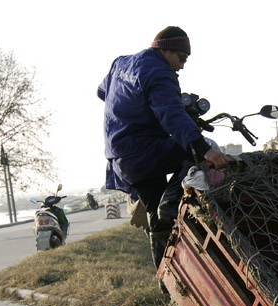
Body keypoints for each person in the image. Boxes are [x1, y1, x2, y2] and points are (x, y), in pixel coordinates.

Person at [97, 26, 229, 272]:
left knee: (158, 222)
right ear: (166, 50)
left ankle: (165, 277)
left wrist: (133, 109)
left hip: (121, 157)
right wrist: (203, 149)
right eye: (181, 58)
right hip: (143, 150)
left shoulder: (121, 63)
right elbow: (172, 115)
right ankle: (171, 201)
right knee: (200, 150)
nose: (181, 66)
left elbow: (102, 91)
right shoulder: (158, 71)